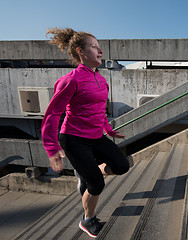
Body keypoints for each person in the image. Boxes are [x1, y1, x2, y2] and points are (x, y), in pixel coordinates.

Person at [41, 27, 130, 238]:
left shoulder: (102, 80)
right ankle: (88, 220)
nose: (100, 51)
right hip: (73, 139)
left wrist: (108, 129)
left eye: (100, 48)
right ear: (81, 51)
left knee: (122, 165)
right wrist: (52, 148)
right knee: (96, 184)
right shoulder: (70, 80)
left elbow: (99, 112)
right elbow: (52, 114)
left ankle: (89, 172)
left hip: (96, 136)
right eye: (94, 47)